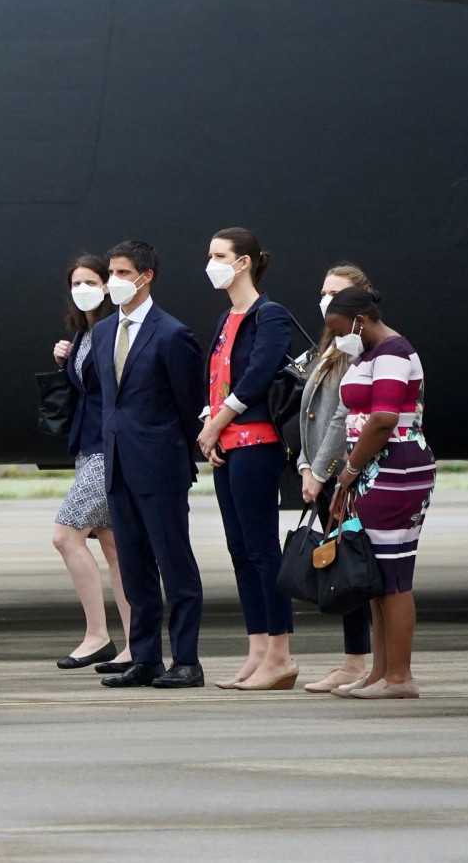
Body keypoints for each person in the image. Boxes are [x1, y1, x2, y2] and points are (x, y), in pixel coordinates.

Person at [91, 240, 207, 689]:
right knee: (134, 566)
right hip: (118, 465)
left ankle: (187, 659)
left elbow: (188, 405)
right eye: (111, 272)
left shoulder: (172, 334)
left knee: (174, 563)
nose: (114, 281)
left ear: (145, 276)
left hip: (160, 466)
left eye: (123, 273)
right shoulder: (103, 332)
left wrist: (181, 459)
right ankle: (144, 656)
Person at [197, 227, 299, 690]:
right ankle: (257, 646)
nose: (211, 263)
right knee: (240, 549)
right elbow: (216, 378)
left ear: (244, 262)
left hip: (256, 442)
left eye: (219, 255)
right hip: (226, 444)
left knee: (262, 549)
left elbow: (258, 375)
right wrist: (209, 421)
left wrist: (218, 423)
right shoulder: (226, 318)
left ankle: (281, 653)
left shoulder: (268, 315)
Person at [327, 285, 432, 699]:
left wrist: (350, 470)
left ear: (361, 321)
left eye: (340, 329)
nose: (337, 338)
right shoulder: (370, 354)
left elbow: (385, 417)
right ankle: (379, 672)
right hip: (374, 471)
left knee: (393, 575)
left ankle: (401, 677)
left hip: (395, 471)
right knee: (375, 575)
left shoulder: (392, 352)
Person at [48, 255, 130, 670]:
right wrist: (65, 362)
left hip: (108, 448)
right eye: (75, 282)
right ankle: (134, 641)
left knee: (66, 535)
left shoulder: (117, 330)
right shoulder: (84, 334)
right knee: (114, 545)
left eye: (90, 281)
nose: (82, 288)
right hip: (87, 446)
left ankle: (98, 634)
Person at [297, 265, 373, 693]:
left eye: (336, 292)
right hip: (322, 472)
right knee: (344, 569)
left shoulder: (356, 349)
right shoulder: (331, 345)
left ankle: (357, 662)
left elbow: (343, 418)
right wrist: (306, 466)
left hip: (345, 475)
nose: (326, 299)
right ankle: (354, 660)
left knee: (353, 569)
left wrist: (322, 471)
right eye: (323, 291)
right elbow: (311, 416)